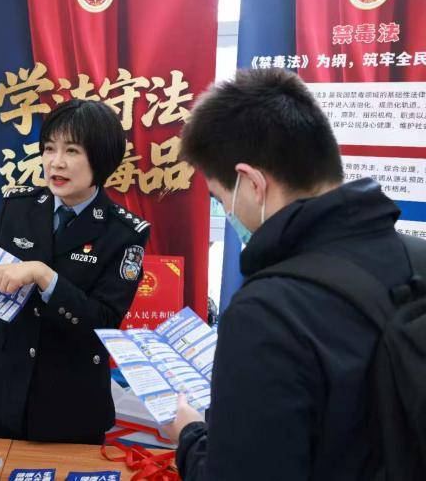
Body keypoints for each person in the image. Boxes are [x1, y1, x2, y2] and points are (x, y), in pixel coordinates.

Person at [165, 68, 413, 480]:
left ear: (250, 183)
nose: (226, 213)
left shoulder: (268, 311)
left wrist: (191, 437)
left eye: (219, 198)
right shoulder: (415, 258)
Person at [0, 99, 151, 444]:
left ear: (101, 159)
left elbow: (105, 322)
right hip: (3, 395)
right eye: (49, 148)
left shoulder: (124, 232)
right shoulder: (18, 206)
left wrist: (44, 276)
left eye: (72, 151)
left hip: (71, 406)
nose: (56, 162)